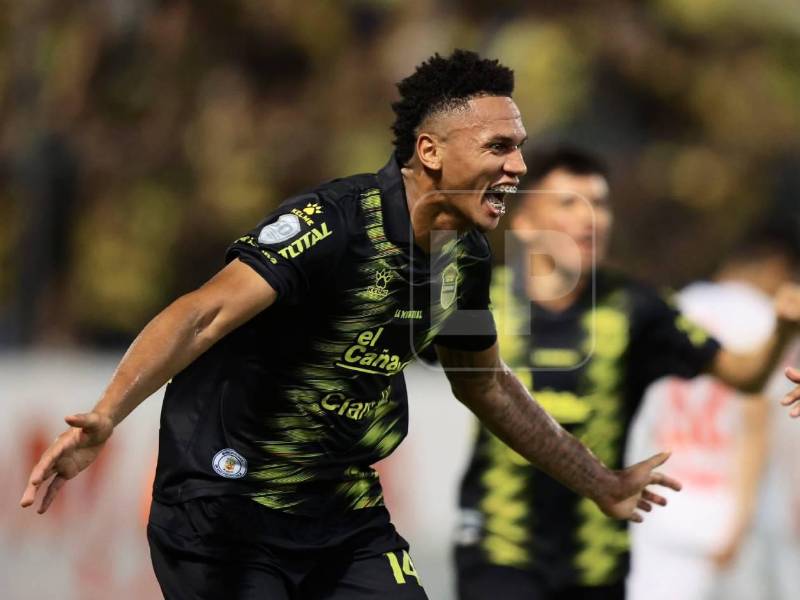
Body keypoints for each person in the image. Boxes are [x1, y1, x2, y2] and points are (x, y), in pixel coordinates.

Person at [19, 51, 680, 600]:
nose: (519, 167)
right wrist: (106, 415)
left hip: (342, 517)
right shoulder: (331, 224)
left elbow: (486, 385)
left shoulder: (465, 261)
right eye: (499, 146)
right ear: (431, 152)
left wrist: (601, 480)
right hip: (224, 511)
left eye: (521, 148)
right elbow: (202, 315)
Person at [453, 147, 800, 600]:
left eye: (600, 205)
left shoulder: (638, 307)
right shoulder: (475, 300)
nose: (590, 220)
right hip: (498, 552)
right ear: (525, 222)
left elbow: (745, 376)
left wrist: (781, 331)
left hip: (598, 561)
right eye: (568, 204)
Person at [626, 228, 800, 600]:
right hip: (729, 510)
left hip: (662, 498)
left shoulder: (682, 303)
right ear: (775, 268)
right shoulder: (764, 319)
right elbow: (758, 419)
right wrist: (742, 517)